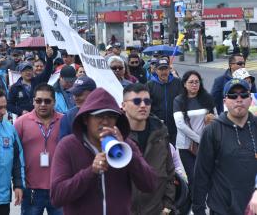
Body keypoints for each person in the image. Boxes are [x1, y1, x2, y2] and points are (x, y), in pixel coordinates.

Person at [50, 87, 157, 215]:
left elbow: (149, 185)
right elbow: (57, 197)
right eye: (99, 116)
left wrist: (129, 156)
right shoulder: (67, 146)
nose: (105, 121)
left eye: (111, 116)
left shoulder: (126, 145)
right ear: (85, 119)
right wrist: (90, 172)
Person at [193, 78, 257, 214]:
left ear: (250, 100)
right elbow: (201, 173)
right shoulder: (212, 131)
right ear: (224, 102)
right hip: (222, 208)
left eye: (244, 95)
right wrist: (198, 209)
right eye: (233, 95)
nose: (239, 99)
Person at [122, 83, 175, 214]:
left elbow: (169, 171)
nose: (143, 105)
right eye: (136, 101)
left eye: (147, 101)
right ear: (123, 105)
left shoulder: (160, 132)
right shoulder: (116, 136)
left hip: (156, 209)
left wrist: (167, 205)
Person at [13, 83, 62, 215]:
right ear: (33, 101)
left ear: (54, 102)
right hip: (31, 190)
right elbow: (13, 155)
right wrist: (17, 183)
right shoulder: (21, 122)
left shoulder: (64, 121)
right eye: (38, 100)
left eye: (47, 101)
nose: (43, 104)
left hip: (59, 188)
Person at [173, 71, 216, 198]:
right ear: (184, 84)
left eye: (197, 82)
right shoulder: (178, 100)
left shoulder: (207, 98)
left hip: (206, 145)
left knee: (206, 176)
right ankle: (196, 206)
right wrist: (199, 139)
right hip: (186, 146)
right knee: (193, 177)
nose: (194, 84)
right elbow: (180, 124)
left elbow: (216, 117)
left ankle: (206, 203)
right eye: (191, 82)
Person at [8, 46, 54, 117]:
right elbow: (9, 105)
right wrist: (21, 111)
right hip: (24, 118)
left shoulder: (38, 81)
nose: (28, 72)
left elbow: (47, 71)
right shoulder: (15, 87)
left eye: (29, 70)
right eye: (25, 70)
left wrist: (49, 58)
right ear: (20, 72)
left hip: (40, 116)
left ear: (33, 71)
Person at [147, 58, 182, 145]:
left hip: (176, 125)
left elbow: (183, 101)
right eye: (161, 69)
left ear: (169, 69)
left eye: (165, 68)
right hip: (158, 126)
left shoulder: (177, 82)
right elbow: (148, 106)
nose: (163, 72)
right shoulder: (149, 85)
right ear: (156, 70)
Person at [59, 76, 96, 140]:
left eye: (79, 94)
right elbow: (63, 146)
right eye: (74, 94)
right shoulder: (68, 117)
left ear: (93, 93)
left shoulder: (104, 115)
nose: (75, 98)